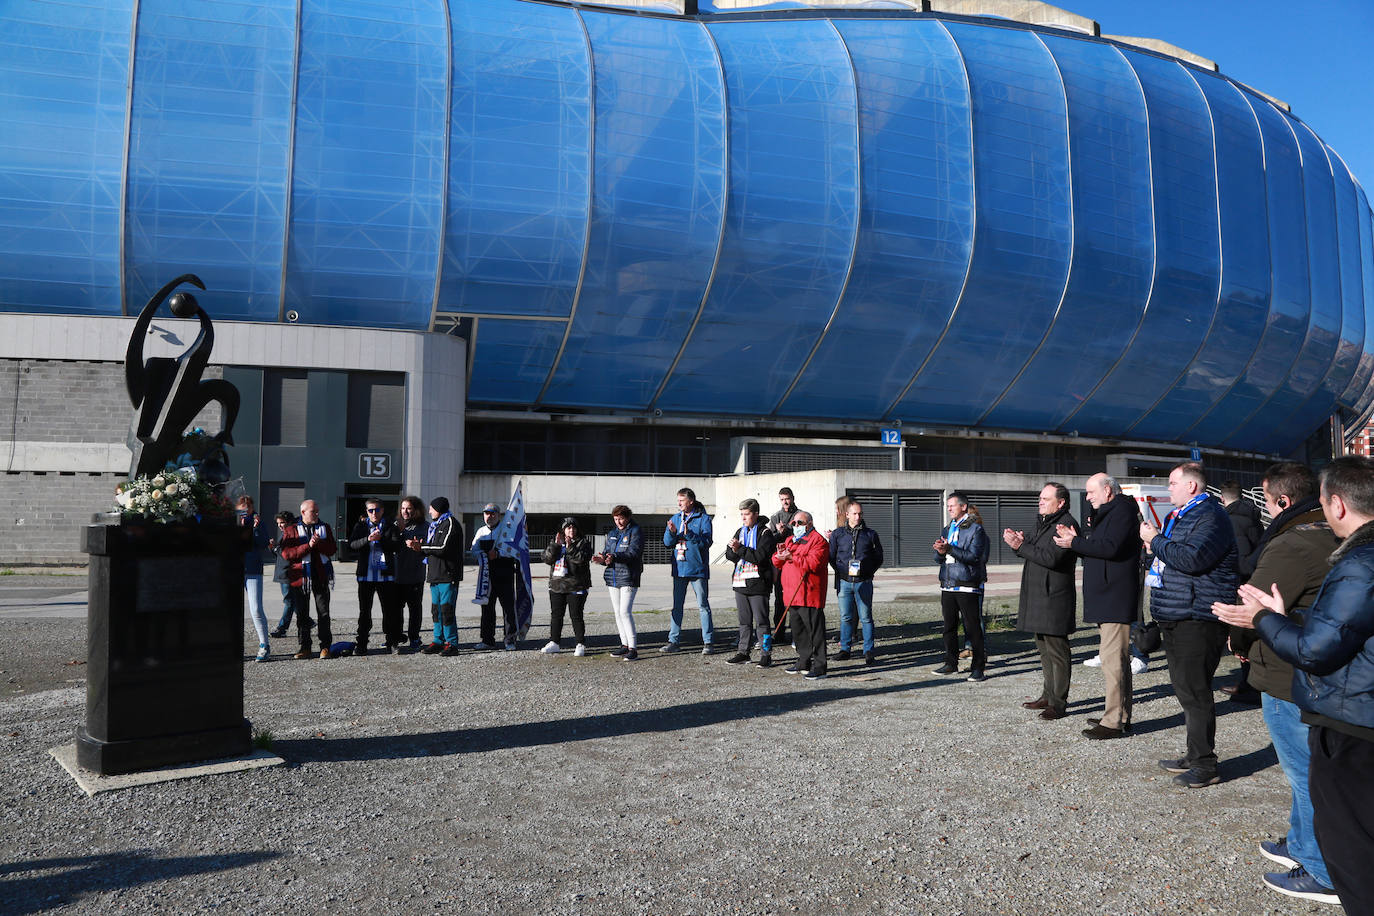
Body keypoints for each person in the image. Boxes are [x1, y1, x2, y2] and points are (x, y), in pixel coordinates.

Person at [1214, 456, 1374, 913]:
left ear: (1338, 505)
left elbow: (1315, 647)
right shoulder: (1341, 549)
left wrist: (1262, 621)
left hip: (1343, 704)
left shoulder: (1345, 557)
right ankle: (1305, 845)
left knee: (1317, 789)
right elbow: (1344, 621)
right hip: (1350, 695)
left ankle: (1320, 869)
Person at [1141, 461, 1237, 788]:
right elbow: (1172, 558)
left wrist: (1155, 541)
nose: (1167, 488)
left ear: (1192, 487)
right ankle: (1194, 754)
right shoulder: (1181, 516)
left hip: (1198, 615)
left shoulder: (1211, 516)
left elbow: (1193, 559)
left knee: (1196, 691)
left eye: (1171, 483)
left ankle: (1205, 765)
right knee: (1185, 689)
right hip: (1177, 612)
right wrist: (1153, 547)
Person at [1054, 473, 1143, 740]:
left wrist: (1075, 542)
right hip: (1108, 597)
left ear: (1108, 490)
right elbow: (1100, 548)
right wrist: (1076, 541)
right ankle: (1118, 715)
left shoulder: (1121, 512)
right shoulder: (1110, 513)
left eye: (1091, 492)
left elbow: (1111, 548)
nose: (1088, 497)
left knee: (1113, 661)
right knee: (1116, 660)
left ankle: (1114, 720)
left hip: (1114, 597)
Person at [1005, 483, 1077, 720]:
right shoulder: (1044, 523)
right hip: (1039, 595)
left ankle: (1058, 702)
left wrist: (1021, 546)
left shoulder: (1065, 525)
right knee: (1044, 650)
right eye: (1040, 498)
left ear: (1061, 502)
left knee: (1057, 651)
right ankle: (1047, 695)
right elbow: (1035, 551)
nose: (1041, 502)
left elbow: (1052, 558)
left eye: (1046, 498)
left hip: (1054, 597)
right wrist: (1021, 543)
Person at [933, 492, 989, 681]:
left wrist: (950, 549)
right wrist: (940, 551)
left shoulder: (975, 530)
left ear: (963, 506)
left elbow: (974, 557)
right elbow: (939, 559)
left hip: (966, 584)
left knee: (972, 627)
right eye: (947, 505)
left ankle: (978, 667)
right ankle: (951, 663)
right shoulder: (947, 528)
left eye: (952, 505)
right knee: (948, 626)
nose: (948, 509)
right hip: (947, 584)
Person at [1221, 479, 1265, 703]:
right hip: (1256, 580)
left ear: (1222, 498)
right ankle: (1249, 684)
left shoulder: (1233, 521)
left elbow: (1242, 558)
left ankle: (1250, 686)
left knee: (1242, 635)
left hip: (1243, 582)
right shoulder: (1253, 516)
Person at [772, 511, 829, 680]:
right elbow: (776, 561)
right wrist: (780, 555)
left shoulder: (819, 541)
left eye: (799, 523)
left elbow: (813, 564)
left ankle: (820, 666)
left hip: (809, 593)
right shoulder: (790, 540)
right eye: (794, 523)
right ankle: (803, 661)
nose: (795, 526)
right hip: (791, 594)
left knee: (815, 632)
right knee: (798, 632)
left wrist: (792, 557)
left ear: (809, 524)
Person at [279, 499, 337, 659]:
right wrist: (308, 546)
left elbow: (333, 549)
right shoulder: (291, 529)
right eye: (314, 512)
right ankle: (305, 647)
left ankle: (325, 647)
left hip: (321, 575)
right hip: (300, 577)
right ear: (303, 512)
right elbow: (287, 554)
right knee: (302, 614)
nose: (317, 514)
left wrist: (318, 544)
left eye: (318, 511)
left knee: (324, 613)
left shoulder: (324, 527)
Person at [829, 500, 885, 666]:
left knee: (866, 617)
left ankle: (868, 650)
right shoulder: (838, 534)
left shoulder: (871, 534)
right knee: (845, 616)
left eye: (860, 513)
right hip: (844, 582)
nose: (857, 516)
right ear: (847, 514)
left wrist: (868, 572)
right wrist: (841, 571)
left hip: (864, 582)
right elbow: (831, 556)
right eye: (854, 513)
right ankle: (845, 649)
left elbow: (879, 557)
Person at [724, 498, 777, 667]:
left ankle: (766, 653)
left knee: (762, 622)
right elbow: (730, 555)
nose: (743, 518)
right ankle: (743, 652)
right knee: (744, 621)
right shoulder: (740, 531)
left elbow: (759, 557)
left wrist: (740, 549)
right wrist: (734, 550)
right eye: (741, 514)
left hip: (758, 583)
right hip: (740, 581)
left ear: (755, 514)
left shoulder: (765, 533)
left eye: (746, 514)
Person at [662, 487, 714, 654]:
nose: (679, 504)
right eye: (678, 500)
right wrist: (671, 533)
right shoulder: (675, 518)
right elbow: (667, 543)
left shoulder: (704, 519)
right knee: (677, 607)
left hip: (697, 569)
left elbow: (706, 542)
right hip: (679, 569)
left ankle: (708, 642)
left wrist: (689, 533)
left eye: (682, 500)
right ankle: (673, 641)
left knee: (703, 606)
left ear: (690, 501)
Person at [348, 497, 402, 655]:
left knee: (389, 611)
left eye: (377, 510)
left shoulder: (390, 527)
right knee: (364, 612)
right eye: (370, 510)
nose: (374, 513)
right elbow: (352, 545)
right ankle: (362, 644)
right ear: (367, 512)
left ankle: (391, 642)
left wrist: (382, 540)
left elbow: (397, 546)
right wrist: (368, 539)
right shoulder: (361, 526)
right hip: (366, 577)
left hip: (385, 577)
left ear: (382, 510)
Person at [412, 496, 463, 655]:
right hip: (435, 574)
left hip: (448, 575)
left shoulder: (451, 524)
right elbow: (432, 549)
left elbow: (442, 547)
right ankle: (438, 640)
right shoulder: (435, 525)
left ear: (439, 509)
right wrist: (418, 548)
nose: (429, 510)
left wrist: (422, 547)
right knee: (436, 610)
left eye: (432, 508)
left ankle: (451, 643)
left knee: (447, 610)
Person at [593, 505, 643, 660]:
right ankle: (624, 644)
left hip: (628, 576)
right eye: (616, 519)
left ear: (627, 517)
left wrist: (613, 556)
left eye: (621, 518)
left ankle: (633, 648)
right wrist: (603, 559)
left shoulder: (636, 530)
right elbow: (608, 553)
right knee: (617, 613)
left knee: (625, 612)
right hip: (612, 577)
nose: (619, 522)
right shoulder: (612, 533)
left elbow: (633, 553)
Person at [541, 517, 593, 656]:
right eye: (568, 528)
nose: (571, 530)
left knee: (576, 615)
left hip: (576, 585)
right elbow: (546, 559)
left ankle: (580, 643)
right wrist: (555, 546)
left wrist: (569, 547)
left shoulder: (583, 542)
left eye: (574, 527)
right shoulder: (556, 541)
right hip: (557, 584)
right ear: (563, 530)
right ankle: (554, 642)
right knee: (556, 615)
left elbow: (581, 559)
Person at [471, 502, 518, 650]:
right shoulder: (480, 532)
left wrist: (498, 554)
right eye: (487, 513)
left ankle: (510, 640)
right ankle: (487, 640)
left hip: (505, 575)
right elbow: (473, 550)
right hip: (487, 577)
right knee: (487, 609)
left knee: (508, 609)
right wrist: (483, 554)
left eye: (493, 513)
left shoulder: (507, 531)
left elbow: (514, 551)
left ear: (499, 515)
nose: (489, 516)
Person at [236, 496, 272, 662]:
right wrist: (239, 528)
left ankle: (264, 644)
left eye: (247, 507)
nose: (244, 510)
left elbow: (264, 543)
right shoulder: (233, 522)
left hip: (253, 570)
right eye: (241, 507)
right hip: (235, 569)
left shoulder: (258, 522)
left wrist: (254, 529)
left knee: (256, 608)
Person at [394, 496, 428, 652]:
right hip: (396, 576)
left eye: (408, 508)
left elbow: (430, 551)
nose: (405, 511)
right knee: (395, 610)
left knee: (415, 609)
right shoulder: (395, 525)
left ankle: (414, 637)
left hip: (415, 575)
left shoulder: (425, 527)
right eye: (402, 508)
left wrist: (418, 547)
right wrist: (399, 532)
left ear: (416, 510)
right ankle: (396, 637)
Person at [769, 488, 803, 637]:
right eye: (782, 499)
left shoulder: (800, 515)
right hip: (781, 564)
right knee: (779, 598)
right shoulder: (776, 517)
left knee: (797, 597)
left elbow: (803, 536)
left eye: (787, 498)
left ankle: (798, 632)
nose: (785, 502)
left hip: (796, 561)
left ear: (793, 498)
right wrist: (778, 533)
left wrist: (787, 531)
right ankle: (779, 631)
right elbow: (770, 540)